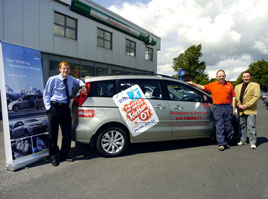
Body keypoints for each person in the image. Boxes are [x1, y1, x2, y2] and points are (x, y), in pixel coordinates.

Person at [43, 61, 86, 166]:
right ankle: (54, 156)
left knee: (67, 134)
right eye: (64, 68)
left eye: (67, 69)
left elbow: (79, 81)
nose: (66, 70)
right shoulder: (52, 79)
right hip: (54, 108)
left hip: (65, 109)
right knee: (53, 134)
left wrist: (83, 86)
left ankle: (64, 155)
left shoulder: (71, 79)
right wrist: (49, 108)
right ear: (60, 69)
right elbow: (46, 94)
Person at [187, 70, 236, 151]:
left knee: (228, 126)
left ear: (225, 76)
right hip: (218, 107)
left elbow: (233, 97)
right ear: (217, 77)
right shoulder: (213, 85)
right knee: (220, 126)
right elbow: (203, 87)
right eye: (219, 76)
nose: (221, 77)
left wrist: (233, 108)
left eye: (222, 76)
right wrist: (193, 84)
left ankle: (226, 141)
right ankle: (221, 144)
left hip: (228, 107)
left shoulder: (230, 85)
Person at [234, 71, 260, 149]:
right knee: (242, 126)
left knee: (251, 126)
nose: (246, 78)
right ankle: (243, 140)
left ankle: (253, 142)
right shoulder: (237, 86)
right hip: (240, 109)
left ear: (250, 77)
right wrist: (238, 105)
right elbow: (235, 98)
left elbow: (256, 97)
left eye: (247, 76)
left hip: (250, 109)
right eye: (244, 76)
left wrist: (246, 105)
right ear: (242, 78)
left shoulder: (255, 85)